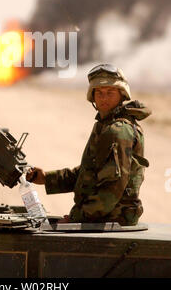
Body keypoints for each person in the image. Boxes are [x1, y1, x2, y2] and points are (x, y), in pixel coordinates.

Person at [26, 64, 151, 226]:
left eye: (110, 92)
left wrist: (78, 218)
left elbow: (112, 189)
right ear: (92, 96)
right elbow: (90, 173)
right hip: (103, 216)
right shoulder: (106, 125)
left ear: (122, 94)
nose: (103, 98)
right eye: (99, 92)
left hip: (110, 218)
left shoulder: (117, 131)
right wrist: (47, 179)